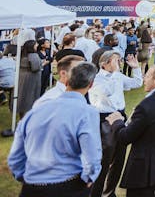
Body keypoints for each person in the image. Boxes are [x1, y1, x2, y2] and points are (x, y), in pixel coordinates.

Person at [8, 63, 102, 197]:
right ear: (91, 85)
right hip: (67, 185)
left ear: (67, 81)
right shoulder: (87, 112)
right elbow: (92, 155)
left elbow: (16, 156)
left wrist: (24, 176)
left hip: (32, 186)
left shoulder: (36, 110)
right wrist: (90, 177)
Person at [106, 65, 155, 197]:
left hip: (146, 168)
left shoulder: (146, 106)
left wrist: (117, 121)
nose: (144, 79)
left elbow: (125, 137)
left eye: (147, 76)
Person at [89, 51, 142, 197]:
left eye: (119, 60)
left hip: (120, 117)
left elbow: (137, 83)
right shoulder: (97, 79)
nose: (118, 63)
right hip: (105, 119)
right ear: (104, 64)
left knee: (119, 159)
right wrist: (115, 74)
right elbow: (108, 93)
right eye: (115, 61)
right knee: (104, 160)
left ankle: (109, 192)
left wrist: (136, 68)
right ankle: (96, 192)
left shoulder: (117, 76)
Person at [17, 40, 42, 118]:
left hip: (22, 77)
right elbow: (35, 67)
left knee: (22, 98)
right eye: (35, 44)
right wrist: (42, 64)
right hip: (31, 79)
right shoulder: (33, 55)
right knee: (30, 98)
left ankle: (22, 115)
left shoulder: (22, 54)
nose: (37, 45)